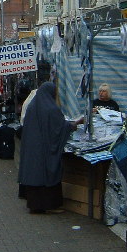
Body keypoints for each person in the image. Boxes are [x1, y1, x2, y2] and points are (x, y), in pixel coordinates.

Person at [18, 82, 83, 214]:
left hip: (31, 149)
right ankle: (49, 205)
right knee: (46, 175)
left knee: (34, 175)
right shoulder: (51, 109)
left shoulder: (32, 107)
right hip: (44, 150)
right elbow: (59, 128)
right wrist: (74, 124)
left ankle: (35, 205)